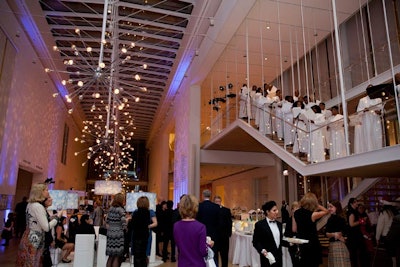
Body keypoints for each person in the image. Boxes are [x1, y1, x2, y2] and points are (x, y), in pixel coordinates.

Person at [16, 183, 59, 267]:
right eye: (46, 190)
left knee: (27, 260)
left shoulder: (30, 204)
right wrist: (56, 219)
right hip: (36, 237)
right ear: (40, 192)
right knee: (33, 260)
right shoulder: (38, 206)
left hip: (28, 235)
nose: (48, 192)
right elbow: (46, 227)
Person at [173, 194, 213, 267]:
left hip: (182, 263)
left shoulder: (176, 226)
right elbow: (203, 251)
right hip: (197, 264)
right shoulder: (201, 227)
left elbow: (179, 246)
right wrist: (209, 245)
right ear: (195, 207)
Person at [292, 192, 329, 267]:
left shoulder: (296, 213)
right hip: (313, 245)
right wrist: (317, 205)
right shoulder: (313, 215)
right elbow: (326, 211)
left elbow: (294, 229)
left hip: (303, 245)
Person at [253, 200, 283, 267]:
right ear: (267, 212)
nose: (277, 212)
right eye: (274, 210)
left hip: (279, 258)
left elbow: (281, 241)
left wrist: (291, 242)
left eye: (277, 210)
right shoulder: (260, 225)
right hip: (267, 258)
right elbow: (255, 242)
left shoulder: (279, 224)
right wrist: (263, 251)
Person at [197, 189, 220, 266]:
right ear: (210, 196)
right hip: (214, 234)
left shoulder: (199, 206)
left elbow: (197, 221)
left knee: (201, 254)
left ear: (202, 195)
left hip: (201, 234)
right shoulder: (216, 207)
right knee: (214, 255)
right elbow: (218, 222)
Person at [356, 87, 384, 152]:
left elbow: (382, 111)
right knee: (368, 136)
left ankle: (379, 152)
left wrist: (379, 112)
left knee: (377, 136)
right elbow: (358, 112)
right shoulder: (362, 100)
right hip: (367, 120)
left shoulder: (378, 99)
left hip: (376, 120)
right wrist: (364, 110)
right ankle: (369, 153)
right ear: (367, 91)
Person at [325, 200, 351, 267]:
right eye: (328, 207)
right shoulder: (330, 219)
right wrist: (334, 234)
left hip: (339, 245)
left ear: (337, 207)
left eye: (331, 207)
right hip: (332, 245)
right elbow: (326, 234)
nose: (329, 209)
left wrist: (337, 235)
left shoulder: (341, 218)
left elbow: (344, 232)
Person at [106, 193, 127, 267]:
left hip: (110, 232)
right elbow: (124, 224)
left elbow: (107, 221)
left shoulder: (110, 209)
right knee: (116, 256)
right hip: (118, 233)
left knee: (110, 256)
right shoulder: (121, 210)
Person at [346, 198, 368, 267]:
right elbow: (351, 224)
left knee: (359, 253)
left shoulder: (354, 211)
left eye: (357, 201)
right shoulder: (351, 212)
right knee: (355, 254)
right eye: (355, 202)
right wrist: (362, 220)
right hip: (354, 236)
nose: (357, 203)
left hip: (356, 235)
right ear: (351, 204)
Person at [130, 196, 151, 267]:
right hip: (145, 236)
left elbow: (133, 225)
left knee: (137, 256)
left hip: (137, 236)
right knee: (143, 255)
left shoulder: (136, 213)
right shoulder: (147, 213)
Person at [214, 196, 232, 267]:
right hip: (215, 236)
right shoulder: (212, 211)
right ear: (214, 202)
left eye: (219, 201)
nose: (218, 203)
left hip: (224, 236)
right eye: (216, 201)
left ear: (221, 201)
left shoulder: (226, 210)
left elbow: (229, 222)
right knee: (215, 255)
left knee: (224, 254)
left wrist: (229, 233)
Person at [283, 201, 300, 267]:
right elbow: (286, 236)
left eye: (298, 209)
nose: (296, 211)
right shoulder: (289, 221)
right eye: (295, 209)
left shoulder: (302, 220)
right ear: (292, 210)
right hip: (293, 248)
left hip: (302, 247)